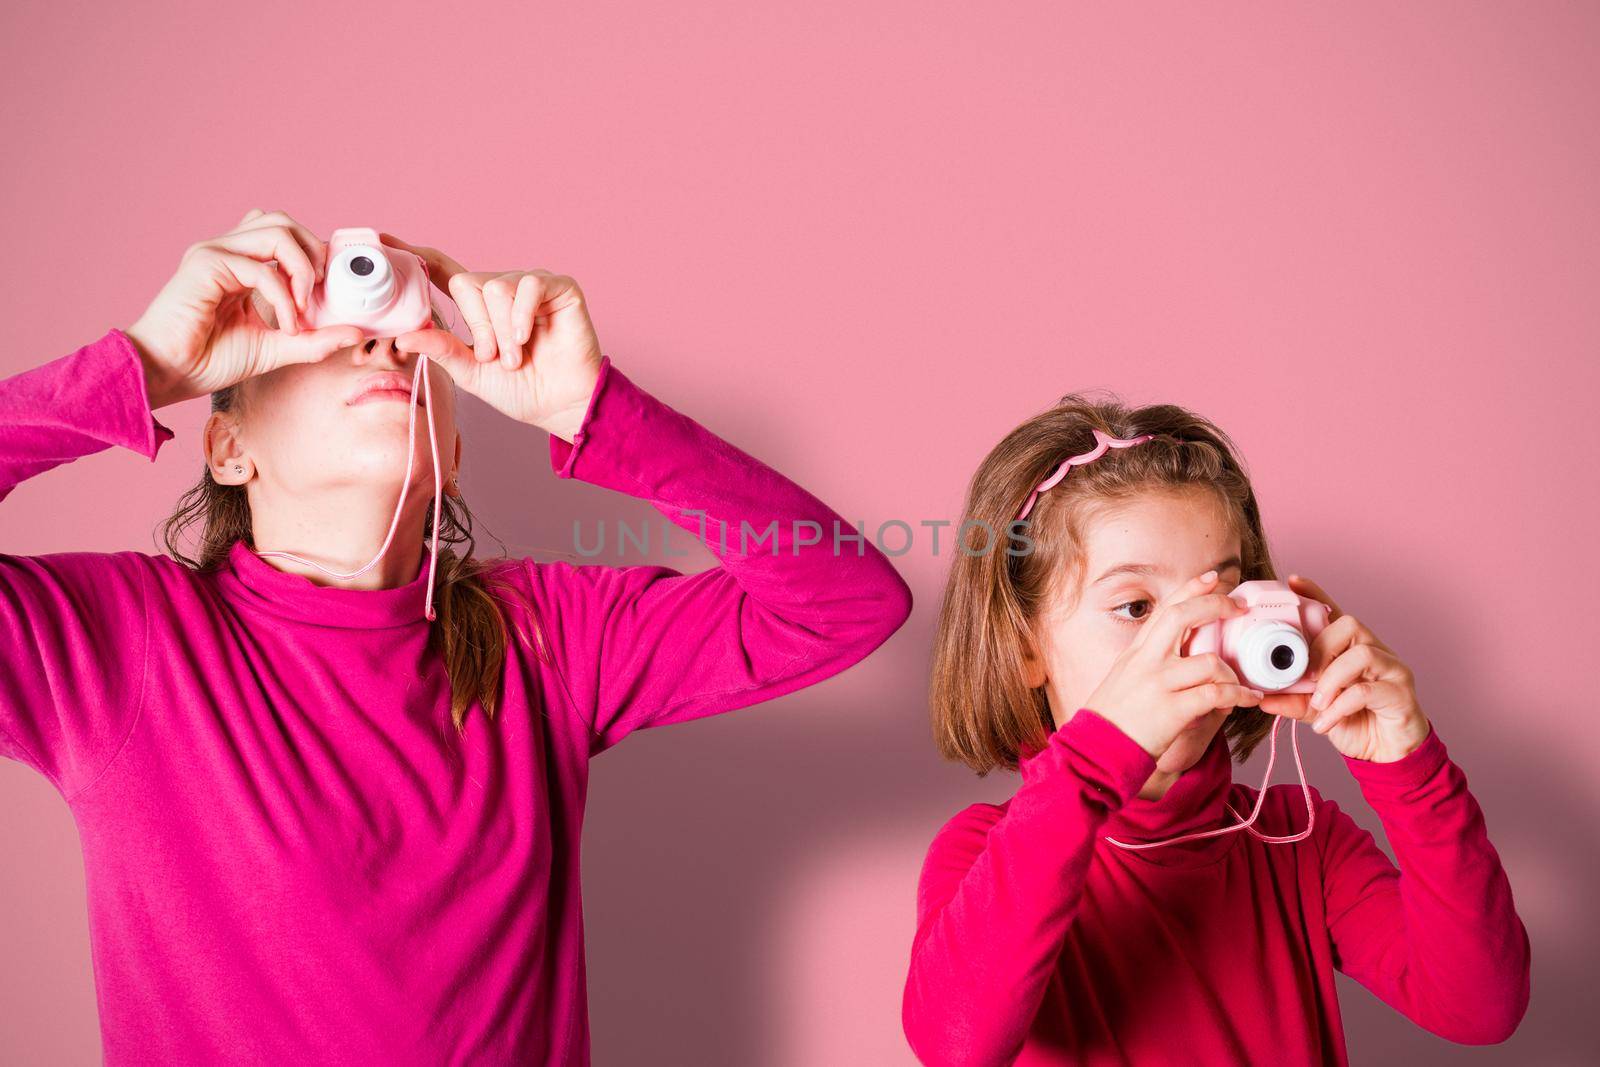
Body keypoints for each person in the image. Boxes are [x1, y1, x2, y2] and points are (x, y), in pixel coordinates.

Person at [0, 209, 912, 1065]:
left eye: (405, 338)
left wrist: (594, 408)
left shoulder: (549, 636)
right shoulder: (122, 644)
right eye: (320, 338)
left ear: (455, 451)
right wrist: (141, 367)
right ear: (230, 450)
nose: (380, 342)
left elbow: (847, 602)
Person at [900, 393, 1529, 1065]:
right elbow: (956, 1042)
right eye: (1137, 606)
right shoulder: (981, 855)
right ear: (1025, 647)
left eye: (1220, 601)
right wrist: (1093, 760)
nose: (1189, 644)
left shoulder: (1299, 839)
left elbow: (1480, 1006)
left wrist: (1412, 771)